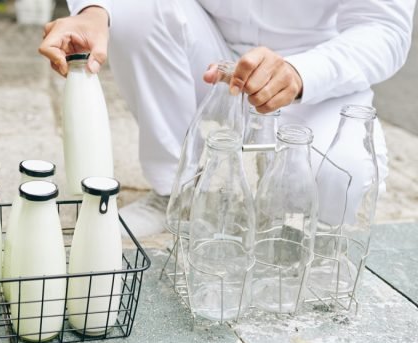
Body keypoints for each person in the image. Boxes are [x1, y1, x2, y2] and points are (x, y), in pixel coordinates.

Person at [39, 0, 415, 237]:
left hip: (316, 67)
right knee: (133, 8)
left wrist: (301, 73)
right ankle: (176, 192)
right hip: (207, 52)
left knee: (339, 186)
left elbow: (385, 29)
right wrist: (94, 11)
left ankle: (281, 188)